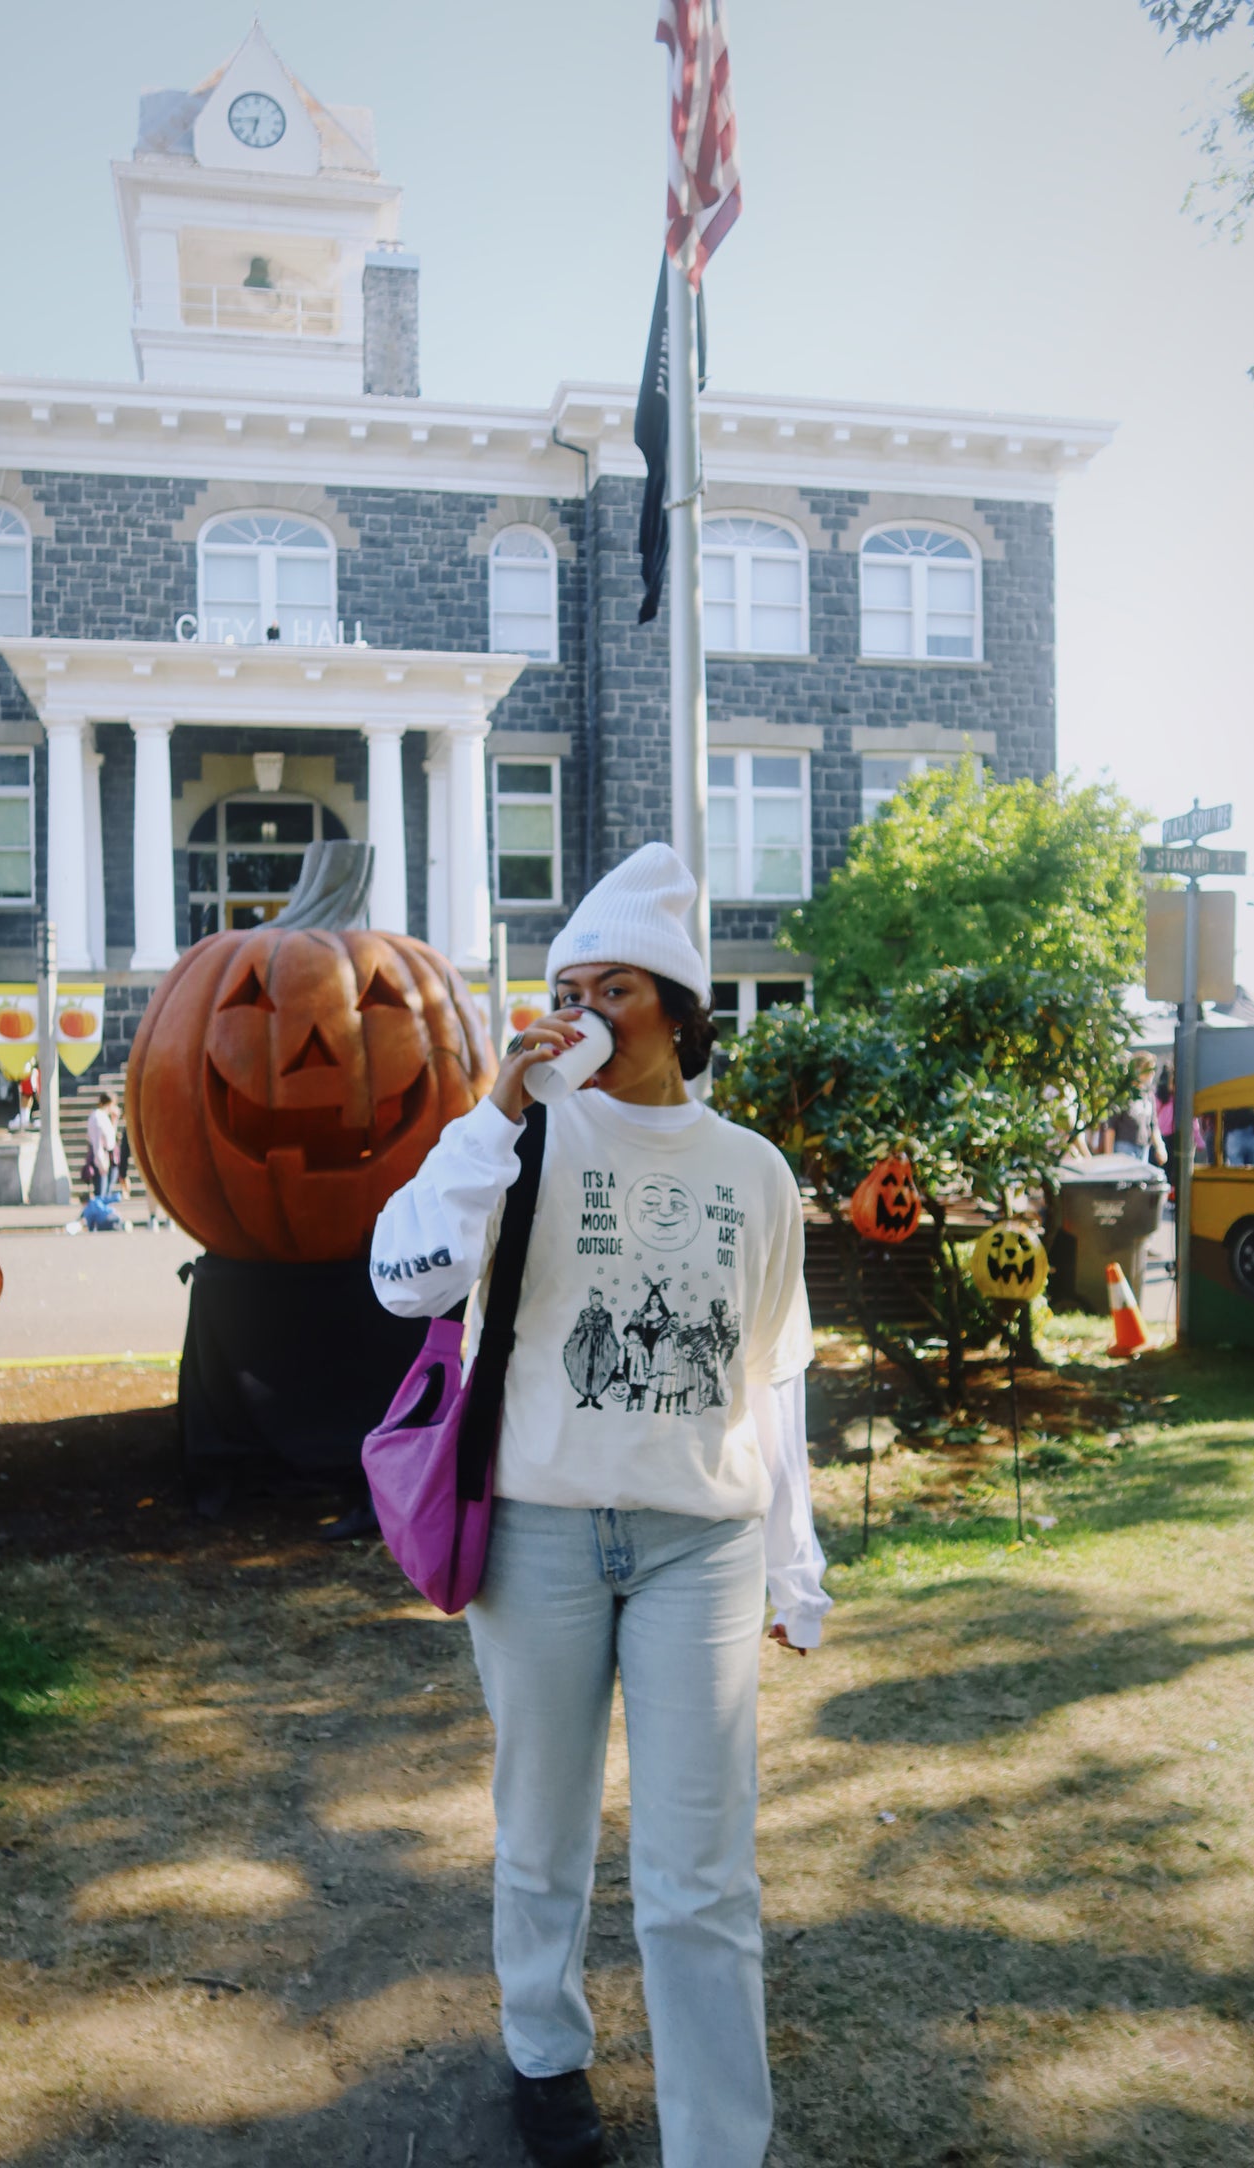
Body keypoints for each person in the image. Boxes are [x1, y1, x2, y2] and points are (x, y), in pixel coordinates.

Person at [371, 843, 829, 2168]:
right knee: (542, 1833)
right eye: (563, 986)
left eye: (610, 987)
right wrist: (495, 1112)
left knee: (704, 1878)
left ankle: (716, 2147)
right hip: (540, 1534)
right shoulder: (512, 1141)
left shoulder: (753, 1171)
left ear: (676, 1009)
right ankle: (544, 2054)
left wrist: (795, 1565)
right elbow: (405, 1279)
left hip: (701, 1543)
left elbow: (772, 1374)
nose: (575, 1012)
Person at [1102, 1053, 1165, 1164]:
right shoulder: (1124, 1094)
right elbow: (1110, 1126)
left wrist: (1160, 1147)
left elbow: (1153, 1125)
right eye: (1148, 1070)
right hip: (1124, 1148)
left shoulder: (1149, 1095)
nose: (1152, 1074)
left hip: (1143, 1148)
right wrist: (1109, 1157)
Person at [85, 1091, 119, 1200]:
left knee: (106, 1192)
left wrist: (114, 1120)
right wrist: (100, 1162)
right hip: (102, 1157)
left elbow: (111, 1138)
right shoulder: (97, 1117)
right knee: (101, 1192)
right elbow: (97, 1142)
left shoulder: (104, 1117)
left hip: (108, 1155)